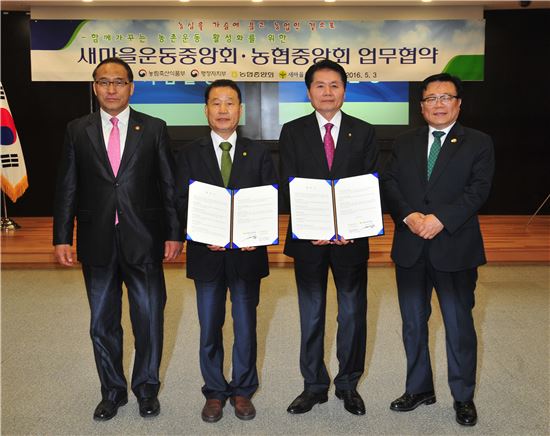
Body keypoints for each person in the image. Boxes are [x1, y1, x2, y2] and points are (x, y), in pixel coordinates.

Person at [53, 57, 182, 421]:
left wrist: (174, 233)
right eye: (104, 82)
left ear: (131, 87)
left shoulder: (153, 128)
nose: (111, 89)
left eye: (119, 82)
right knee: (102, 323)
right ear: (94, 87)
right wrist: (62, 236)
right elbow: (67, 185)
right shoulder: (77, 129)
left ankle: (146, 389)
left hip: (144, 238)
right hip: (96, 240)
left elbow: (168, 185)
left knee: (148, 320)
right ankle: (111, 391)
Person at [381, 73, 494, 426]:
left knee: (459, 326)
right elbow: (390, 183)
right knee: (413, 324)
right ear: (422, 106)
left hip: (455, 247)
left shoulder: (479, 142)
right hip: (410, 245)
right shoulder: (404, 142)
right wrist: (409, 215)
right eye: (431, 98)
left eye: (446, 97)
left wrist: (441, 219)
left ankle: (463, 396)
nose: (439, 104)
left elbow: (479, 190)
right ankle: (419, 389)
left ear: (458, 103)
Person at [174, 79, 277, 423]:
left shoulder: (258, 152)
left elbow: (269, 200)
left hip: (247, 254)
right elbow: (181, 200)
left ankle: (243, 390)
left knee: (246, 326)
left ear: (240, 110)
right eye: (216, 103)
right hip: (207, 254)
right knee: (209, 326)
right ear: (205, 110)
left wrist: (257, 234)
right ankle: (215, 392)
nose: (223, 110)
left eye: (230, 103)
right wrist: (201, 233)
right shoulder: (189, 153)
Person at [279, 59, 378, 416]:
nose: (327, 92)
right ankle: (314, 386)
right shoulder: (292, 131)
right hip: (309, 240)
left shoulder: (364, 131)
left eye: (334, 85)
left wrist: (350, 227)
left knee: (352, 314)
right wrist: (315, 227)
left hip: (351, 240)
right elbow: (288, 183)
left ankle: (348, 384)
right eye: (319, 85)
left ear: (344, 91)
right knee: (312, 315)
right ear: (309, 92)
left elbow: (370, 185)